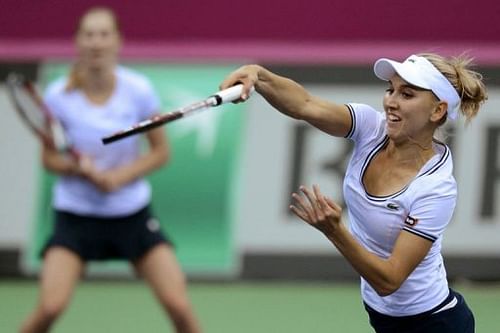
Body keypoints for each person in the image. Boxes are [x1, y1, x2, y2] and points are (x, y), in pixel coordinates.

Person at [219, 53, 487, 332]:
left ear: (437, 111)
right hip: (382, 317)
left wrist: (335, 230)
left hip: (434, 323)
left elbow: (389, 280)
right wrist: (258, 76)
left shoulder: (436, 189)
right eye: (390, 89)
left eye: (407, 94)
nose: (391, 101)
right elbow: (304, 104)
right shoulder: (371, 127)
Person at [20, 7, 201, 333]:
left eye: (104, 34)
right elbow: (49, 160)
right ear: (77, 41)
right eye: (89, 34)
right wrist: (76, 169)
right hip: (76, 217)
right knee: (49, 308)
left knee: (179, 306)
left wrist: (118, 177)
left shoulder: (139, 90)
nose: (96, 42)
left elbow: (161, 153)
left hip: (131, 213)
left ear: (118, 40)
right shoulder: (58, 96)